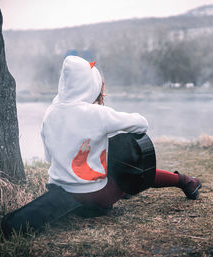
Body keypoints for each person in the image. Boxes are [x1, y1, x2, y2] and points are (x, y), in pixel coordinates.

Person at [41, 55, 201, 210]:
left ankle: (184, 181)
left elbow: (49, 157)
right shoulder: (96, 113)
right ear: (89, 85)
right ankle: (185, 181)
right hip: (95, 197)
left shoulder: (50, 113)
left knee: (103, 154)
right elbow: (141, 124)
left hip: (58, 192)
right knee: (129, 165)